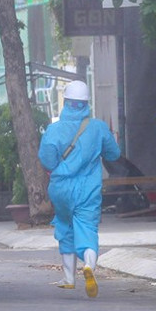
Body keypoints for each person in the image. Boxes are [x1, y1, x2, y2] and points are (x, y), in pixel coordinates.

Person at [38, 80, 121, 298]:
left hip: (60, 188)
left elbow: (46, 159)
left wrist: (60, 167)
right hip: (88, 189)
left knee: (65, 227)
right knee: (87, 228)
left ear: (66, 102)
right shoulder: (98, 128)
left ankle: (67, 279)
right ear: (86, 103)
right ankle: (89, 267)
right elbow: (114, 154)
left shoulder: (54, 130)